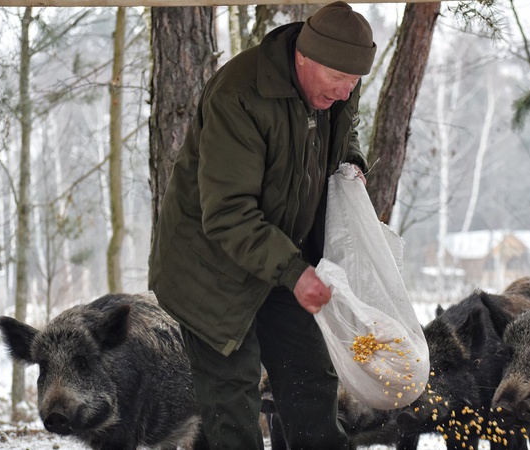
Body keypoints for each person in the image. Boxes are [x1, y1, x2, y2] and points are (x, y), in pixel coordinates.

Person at [148, 2, 377, 449]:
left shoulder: (335, 84)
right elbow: (228, 213)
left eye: (354, 85)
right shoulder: (239, 95)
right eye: (337, 83)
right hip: (211, 272)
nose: (345, 94)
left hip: (278, 256)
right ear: (305, 58)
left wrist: (351, 159)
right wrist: (295, 272)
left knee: (310, 376)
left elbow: (340, 132)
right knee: (234, 405)